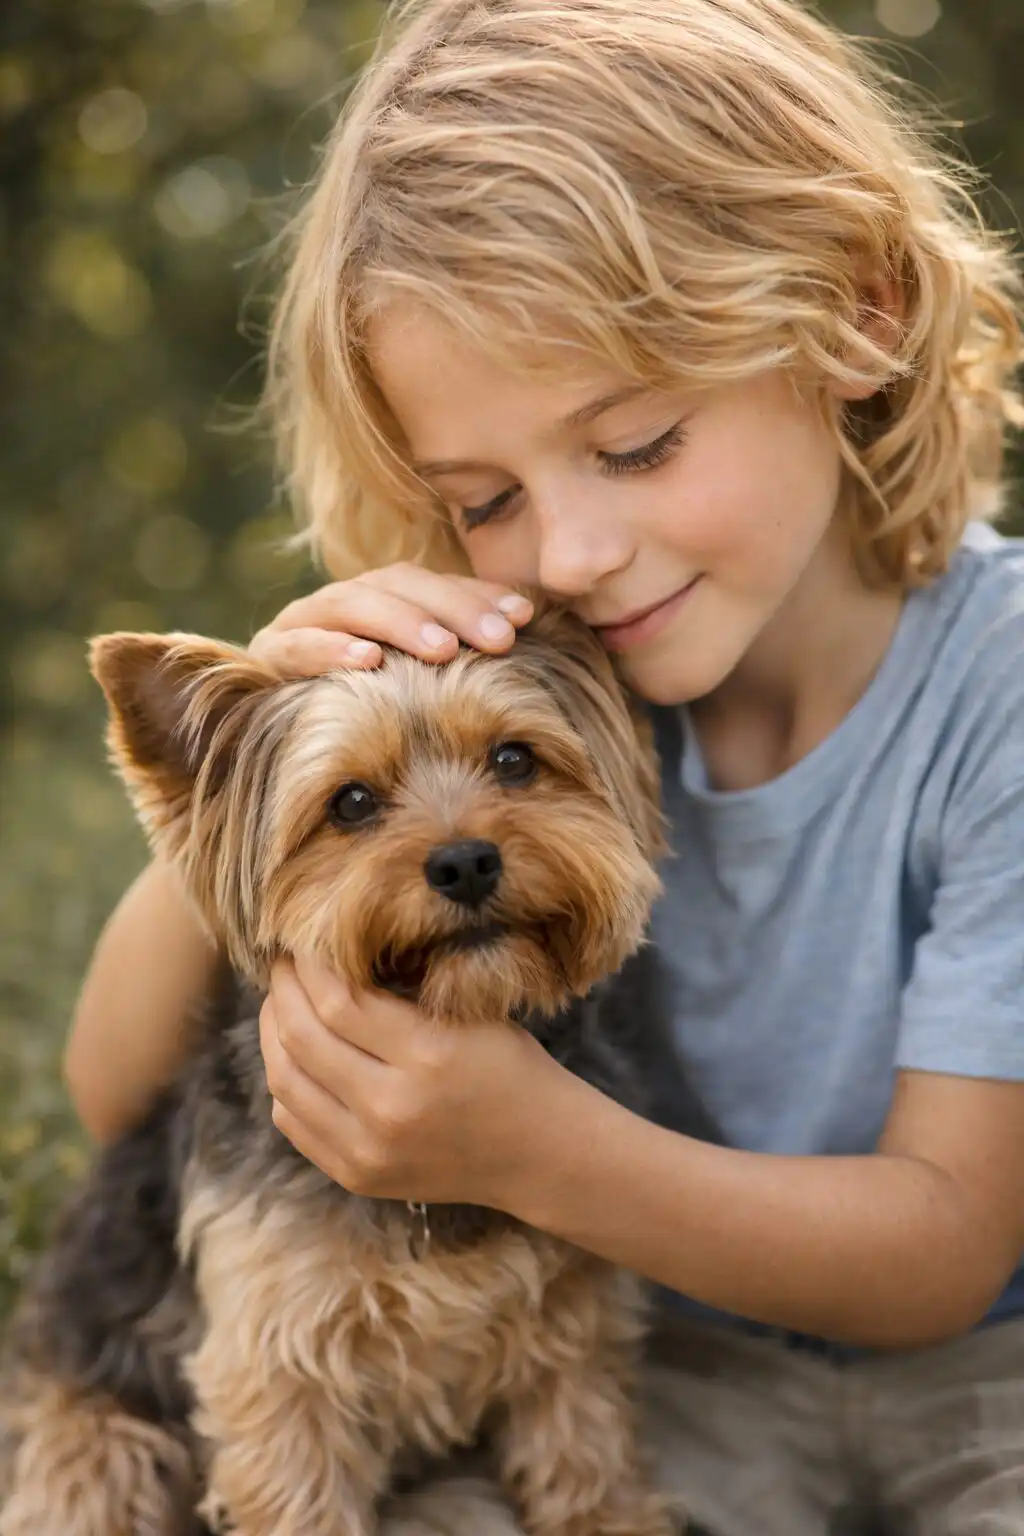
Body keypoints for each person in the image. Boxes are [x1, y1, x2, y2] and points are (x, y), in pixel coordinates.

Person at [64, 0, 1024, 1530]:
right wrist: (250, 793)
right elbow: (112, 1087)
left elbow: (949, 1247)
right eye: (483, 495)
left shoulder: (1003, 693)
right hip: (677, 1374)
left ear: (858, 309)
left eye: (635, 444)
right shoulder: (541, 672)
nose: (571, 551)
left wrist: (538, 1151)